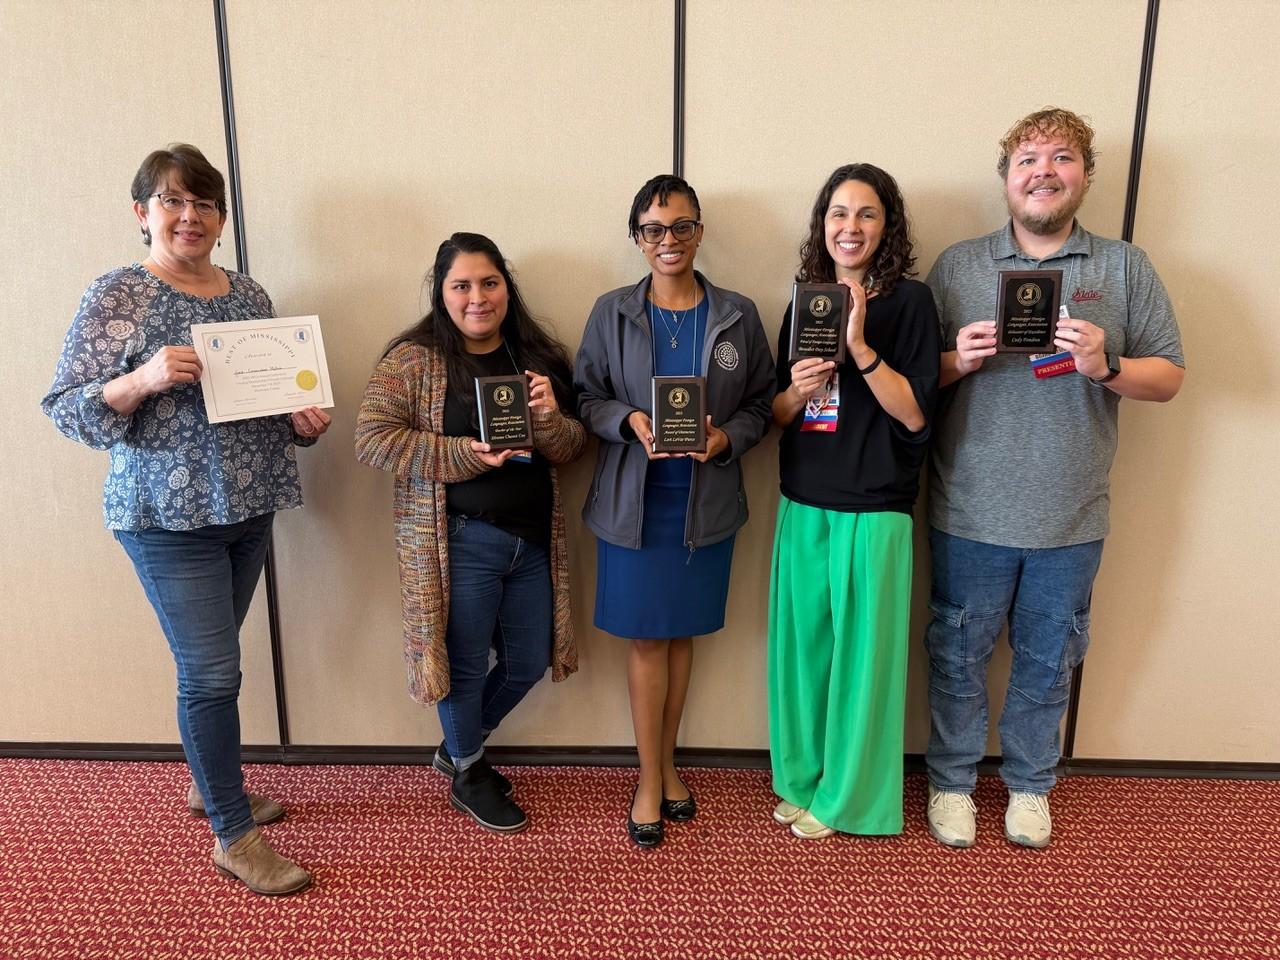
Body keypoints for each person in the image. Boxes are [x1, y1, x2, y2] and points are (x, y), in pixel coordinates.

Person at [42, 143, 330, 896]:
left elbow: (262, 400)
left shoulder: (249, 295)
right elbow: (64, 408)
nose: (189, 216)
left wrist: (300, 421)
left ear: (222, 218)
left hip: (249, 506)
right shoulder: (118, 295)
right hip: (166, 518)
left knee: (210, 669)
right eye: (172, 201)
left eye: (204, 203)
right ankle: (233, 836)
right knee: (212, 672)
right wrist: (137, 380)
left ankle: (210, 786)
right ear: (143, 214)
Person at [923, 108, 1185, 849]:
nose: (1043, 171)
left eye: (1061, 158)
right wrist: (958, 361)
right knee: (955, 653)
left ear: (1085, 175)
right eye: (1027, 159)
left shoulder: (1124, 268)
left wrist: (1107, 366)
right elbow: (912, 386)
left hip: (1071, 517)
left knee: (1050, 658)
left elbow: (1167, 378)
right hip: (967, 508)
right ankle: (951, 780)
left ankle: (1032, 785)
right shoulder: (960, 266)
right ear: (1006, 179)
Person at [355, 232, 585, 834]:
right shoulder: (412, 359)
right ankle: (469, 770)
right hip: (458, 541)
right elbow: (373, 439)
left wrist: (549, 418)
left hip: (532, 542)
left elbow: (570, 448)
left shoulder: (535, 357)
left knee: (528, 661)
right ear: (442, 292)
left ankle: (458, 747)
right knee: (460, 664)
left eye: (489, 283)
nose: (477, 298)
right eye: (461, 286)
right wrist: (466, 455)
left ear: (506, 286)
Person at [574, 175, 776, 848]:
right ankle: (648, 778)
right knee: (647, 638)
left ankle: (666, 766)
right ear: (637, 237)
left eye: (681, 227)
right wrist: (627, 419)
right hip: (634, 504)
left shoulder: (738, 314)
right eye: (654, 230)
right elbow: (586, 397)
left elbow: (760, 405)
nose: (669, 241)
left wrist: (725, 439)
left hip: (704, 504)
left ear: (699, 231)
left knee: (682, 633)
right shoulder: (611, 312)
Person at [767, 164, 940, 840]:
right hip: (804, 499)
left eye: (866, 214)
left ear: (886, 227)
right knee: (804, 655)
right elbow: (779, 412)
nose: (851, 227)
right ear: (822, 225)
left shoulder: (912, 303)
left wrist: (861, 348)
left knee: (863, 665)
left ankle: (849, 798)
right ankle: (803, 778)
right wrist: (799, 389)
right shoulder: (804, 303)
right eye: (839, 213)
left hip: (877, 507)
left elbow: (918, 413)